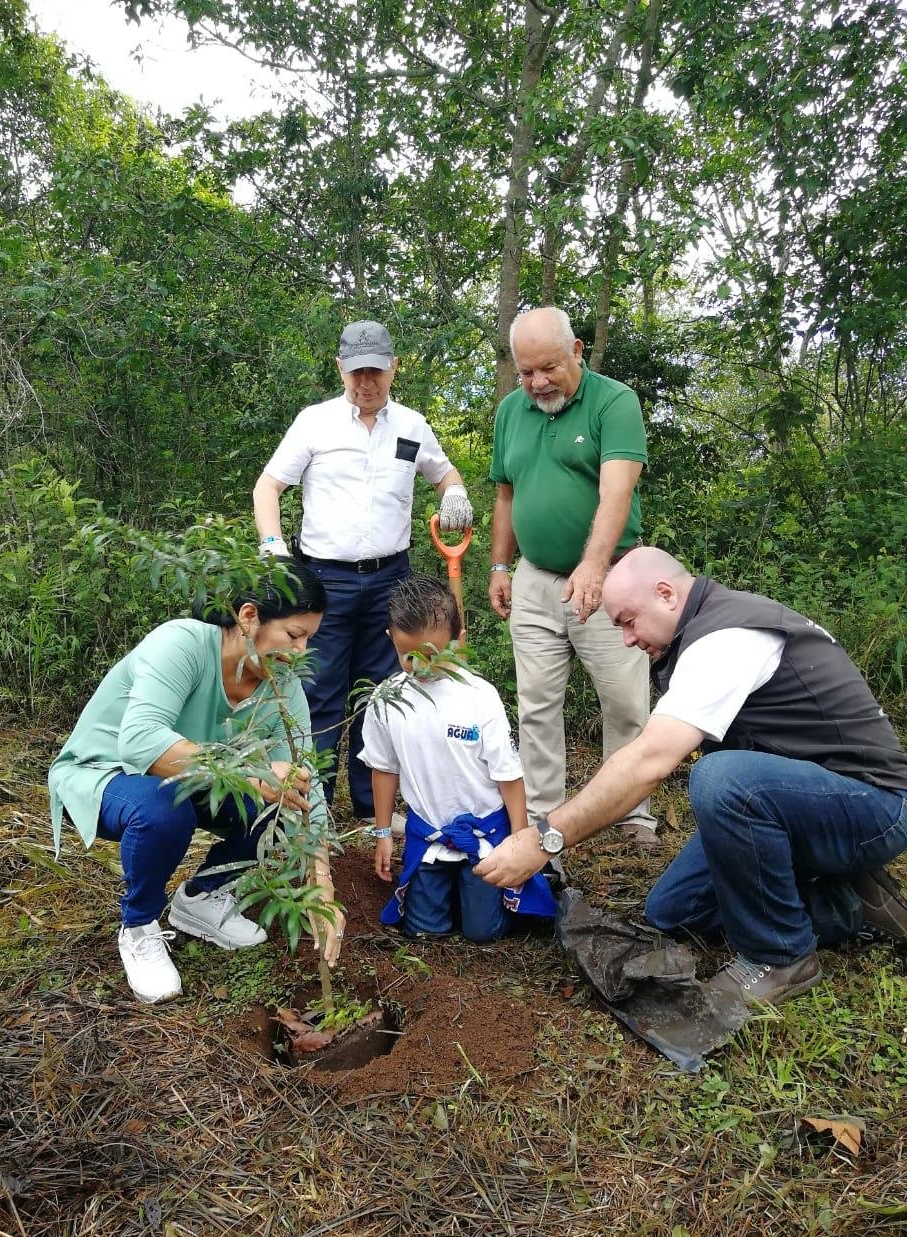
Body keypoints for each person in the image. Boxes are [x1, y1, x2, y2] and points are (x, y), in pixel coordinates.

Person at [476, 546, 907, 1004]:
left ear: (665, 594)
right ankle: (850, 904)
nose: (625, 639)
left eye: (627, 620)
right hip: (807, 800)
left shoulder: (727, 639)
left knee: (723, 781)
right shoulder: (704, 629)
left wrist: (546, 838)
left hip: (875, 807)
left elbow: (648, 761)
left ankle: (781, 957)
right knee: (673, 910)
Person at [48, 564, 345, 1004]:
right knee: (163, 807)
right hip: (107, 772)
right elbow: (140, 741)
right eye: (293, 635)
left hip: (191, 776)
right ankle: (139, 925)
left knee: (282, 801)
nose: (301, 651)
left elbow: (306, 782)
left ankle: (201, 897)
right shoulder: (183, 643)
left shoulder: (282, 686)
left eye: (308, 640)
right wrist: (249, 774)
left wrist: (322, 880)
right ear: (249, 616)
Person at [253, 320, 473, 825]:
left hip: (391, 580)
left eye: (375, 371)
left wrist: (454, 494)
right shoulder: (315, 423)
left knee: (384, 692)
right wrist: (273, 548)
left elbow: (444, 474)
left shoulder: (412, 427)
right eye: (355, 373)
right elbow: (269, 488)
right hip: (324, 579)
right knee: (321, 692)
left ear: (393, 368)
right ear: (340, 369)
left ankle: (375, 809)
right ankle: (314, 809)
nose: (365, 383)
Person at [488, 306, 657, 847]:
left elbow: (616, 492)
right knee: (536, 704)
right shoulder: (511, 411)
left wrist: (593, 565)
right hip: (535, 580)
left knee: (627, 701)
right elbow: (505, 493)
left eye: (549, 368)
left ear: (577, 351)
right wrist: (498, 564)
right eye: (526, 371)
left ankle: (632, 814)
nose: (538, 382)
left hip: (613, 579)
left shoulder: (615, 402)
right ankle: (544, 818)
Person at [359, 573, 556, 941]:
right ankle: (445, 896)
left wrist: (519, 839)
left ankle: (486, 901)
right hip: (430, 835)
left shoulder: (479, 697)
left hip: (482, 833)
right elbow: (383, 769)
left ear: (458, 643)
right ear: (391, 641)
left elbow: (508, 776)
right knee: (423, 931)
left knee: (482, 932)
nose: (420, 666)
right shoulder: (386, 700)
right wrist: (383, 832)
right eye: (407, 655)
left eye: (432, 654)